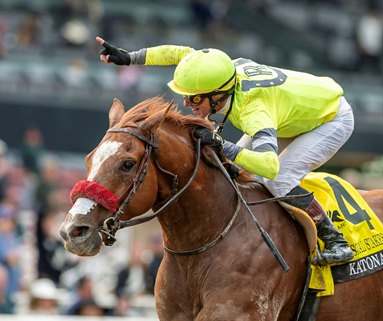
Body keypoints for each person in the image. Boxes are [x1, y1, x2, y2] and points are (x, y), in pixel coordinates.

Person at [96, 36, 355, 266]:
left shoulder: (255, 111)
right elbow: (179, 54)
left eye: (195, 98)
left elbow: (269, 166)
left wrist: (224, 145)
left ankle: (335, 240)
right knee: (229, 165)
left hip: (330, 120)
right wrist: (130, 57)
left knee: (279, 178)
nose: (187, 103)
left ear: (218, 96)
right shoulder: (219, 72)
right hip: (291, 114)